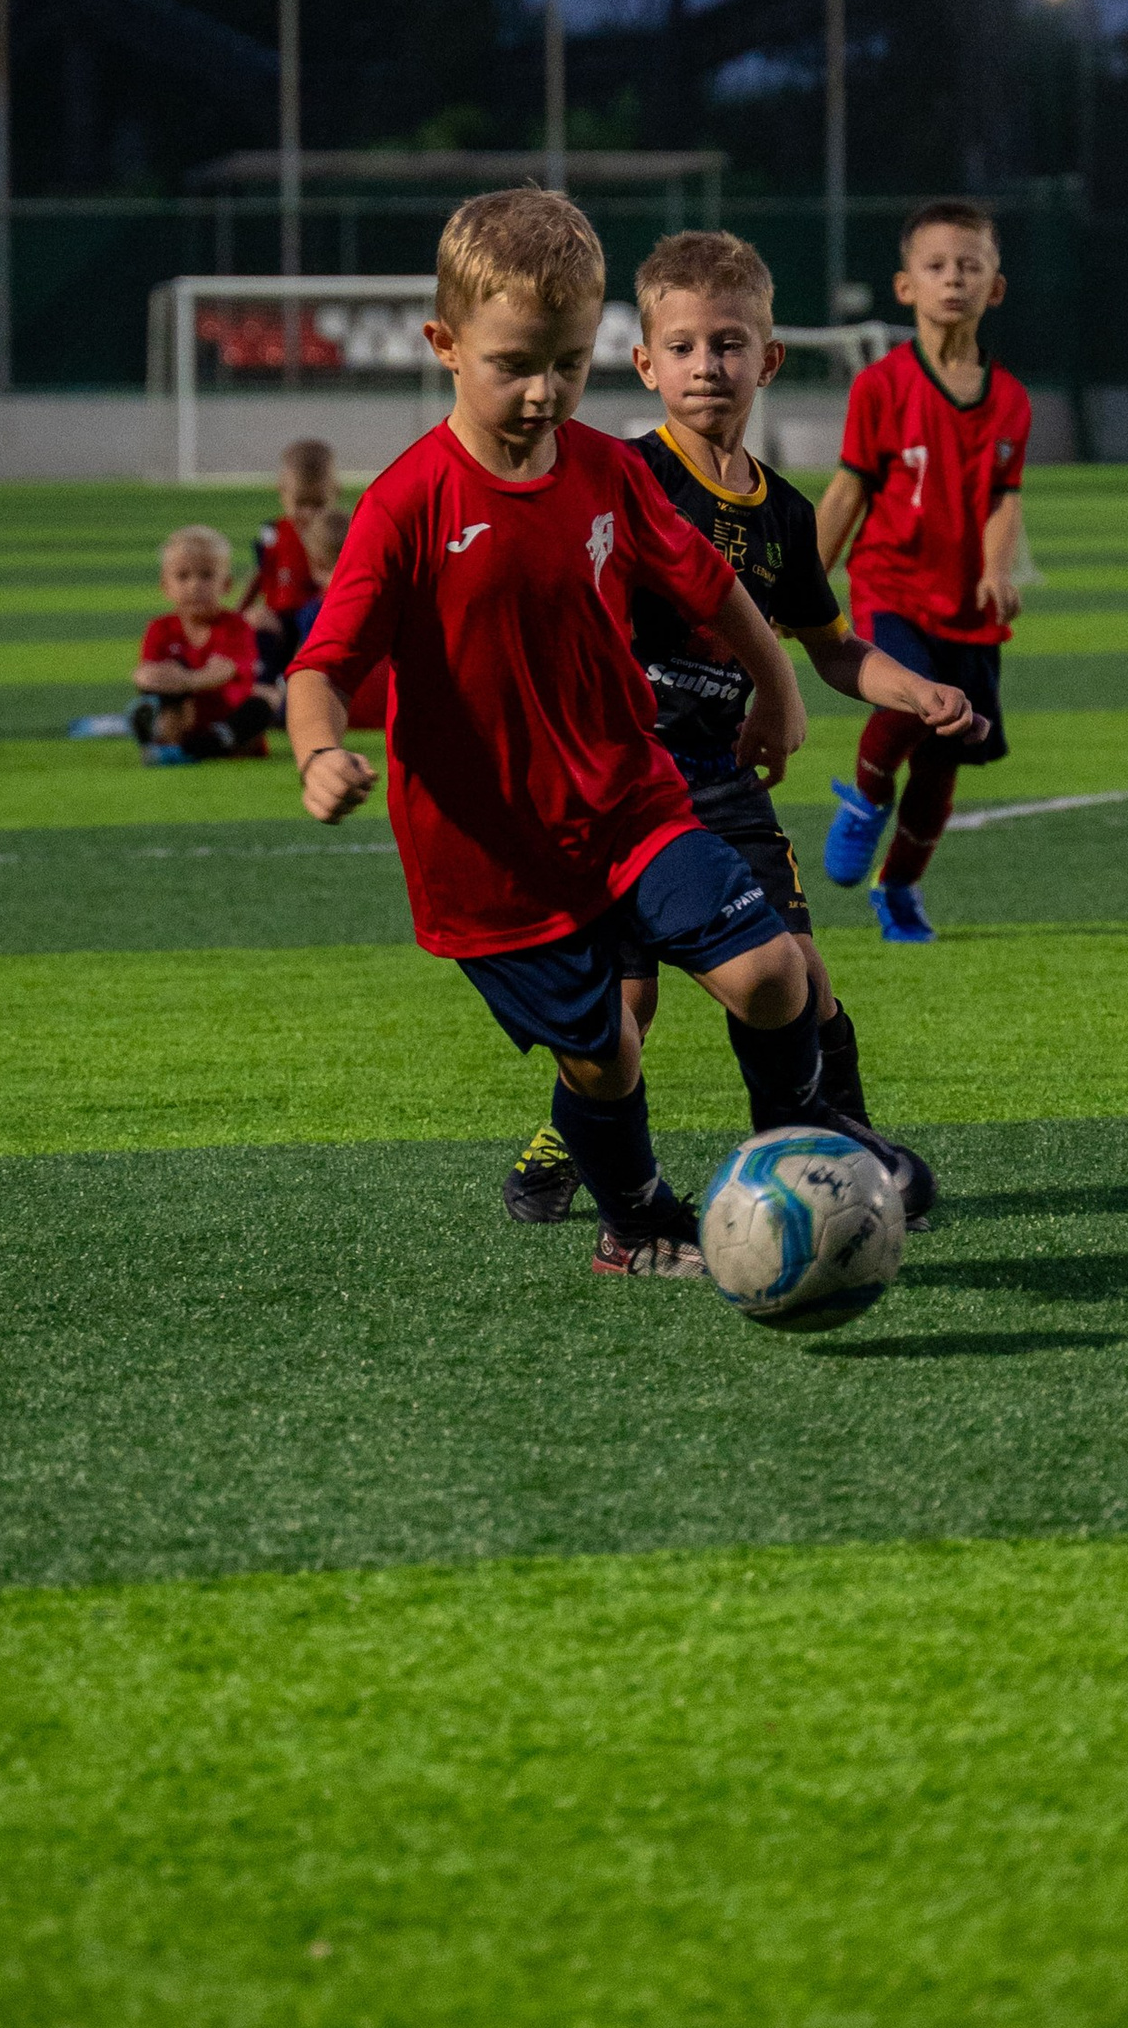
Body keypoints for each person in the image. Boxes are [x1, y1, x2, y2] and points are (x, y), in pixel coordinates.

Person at [287, 187, 904, 1280]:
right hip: (496, 863)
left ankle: (794, 1155)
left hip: (630, 801)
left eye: (566, 365)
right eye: (514, 363)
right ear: (444, 345)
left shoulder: (606, 471)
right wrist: (318, 747)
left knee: (774, 975)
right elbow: (322, 664)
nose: (542, 392)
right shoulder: (407, 504)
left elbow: (717, 589)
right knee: (606, 1054)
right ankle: (636, 1215)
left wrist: (779, 689)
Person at [500, 227, 979, 1229]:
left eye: (727, 344)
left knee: (801, 978)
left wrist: (914, 689)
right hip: (620, 784)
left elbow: (832, 644)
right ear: (644, 362)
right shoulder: (616, 478)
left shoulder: (786, 516)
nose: (705, 366)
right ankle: (570, 1135)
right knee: (622, 1008)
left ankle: (832, 1154)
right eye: (681, 346)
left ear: (768, 358)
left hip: (719, 782)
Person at [815, 198, 1031, 941]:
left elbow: (1005, 501)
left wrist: (998, 572)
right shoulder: (879, 387)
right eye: (936, 267)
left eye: (970, 266)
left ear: (995, 286)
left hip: (968, 612)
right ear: (905, 287)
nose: (954, 280)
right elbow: (847, 490)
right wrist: (803, 580)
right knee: (907, 699)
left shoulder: (1010, 400)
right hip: (892, 588)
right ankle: (865, 798)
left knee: (945, 761)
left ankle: (899, 890)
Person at [132, 524, 270, 760]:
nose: (195, 586)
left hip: (226, 717)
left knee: (262, 705)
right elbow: (146, 674)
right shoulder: (160, 628)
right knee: (158, 691)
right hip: (183, 718)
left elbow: (222, 671)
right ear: (165, 586)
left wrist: (182, 679)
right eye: (183, 577)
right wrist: (163, 679)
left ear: (226, 584)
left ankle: (201, 747)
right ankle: (169, 739)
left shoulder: (235, 627)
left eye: (206, 575)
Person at [240, 438, 346, 717]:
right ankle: (262, 696)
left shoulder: (338, 533)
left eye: (318, 504)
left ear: (335, 493)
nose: (308, 513)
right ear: (282, 492)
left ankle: (305, 702)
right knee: (260, 630)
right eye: (300, 503)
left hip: (319, 615)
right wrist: (240, 612)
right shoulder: (275, 532)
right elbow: (260, 573)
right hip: (280, 616)